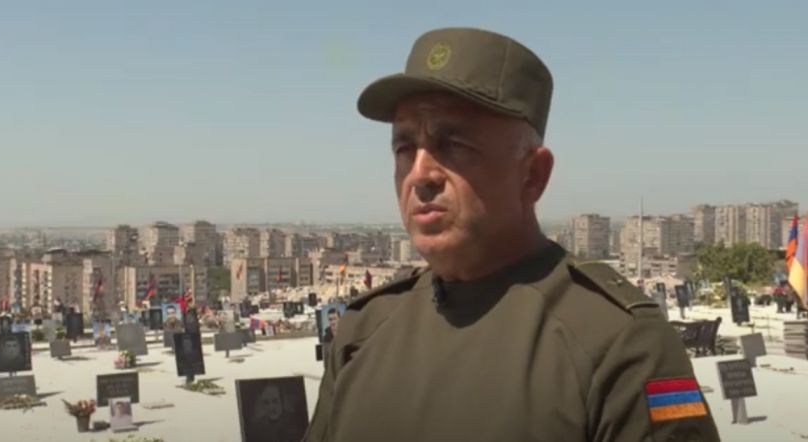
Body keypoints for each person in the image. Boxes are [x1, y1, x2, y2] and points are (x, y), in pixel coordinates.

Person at [303, 27, 720, 442]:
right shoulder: (363, 331)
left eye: (454, 145)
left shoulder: (626, 345)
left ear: (532, 175)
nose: (420, 174)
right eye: (404, 148)